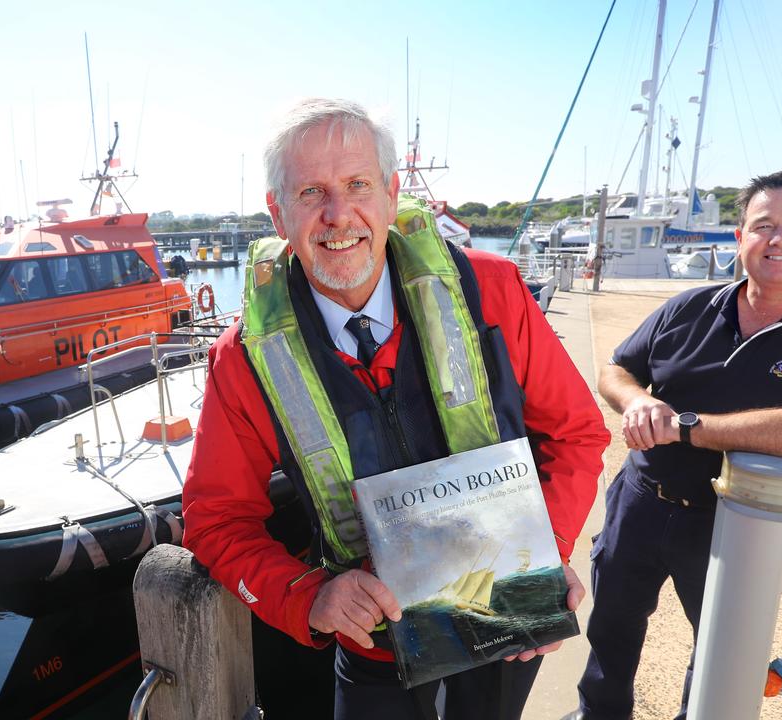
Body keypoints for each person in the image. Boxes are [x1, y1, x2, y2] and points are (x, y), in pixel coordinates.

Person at [181, 97, 610, 719]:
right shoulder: (243, 357)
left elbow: (576, 433)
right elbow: (215, 519)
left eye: (357, 184)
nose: (337, 214)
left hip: (506, 612)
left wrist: (548, 549)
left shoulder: (491, 290)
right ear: (278, 213)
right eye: (310, 193)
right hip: (373, 642)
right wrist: (307, 597)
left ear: (390, 192)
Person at [572, 168, 782, 720]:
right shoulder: (691, 306)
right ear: (740, 235)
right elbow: (617, 368)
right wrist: (637, 402)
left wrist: (684, 425)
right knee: (612, 627)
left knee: (725, 650)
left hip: (738, 520)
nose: (779, 239)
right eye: (763, 225)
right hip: (641, 499)